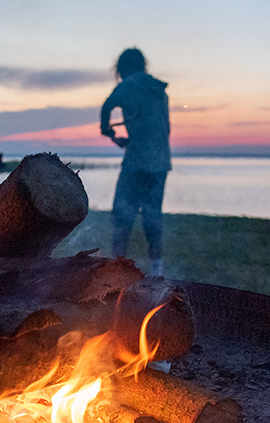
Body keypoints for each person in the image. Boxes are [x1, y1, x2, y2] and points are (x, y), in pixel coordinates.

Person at [100, 48, 171, 276]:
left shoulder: (128, 85)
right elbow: (163, 128)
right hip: (160, 163)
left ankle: (116, 269)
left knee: (122, 215)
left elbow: (107, 105)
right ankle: (157, 270)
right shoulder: (159, 91)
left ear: (123, 69)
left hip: (137, 162)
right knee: (153, 216)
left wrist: (107, 131)